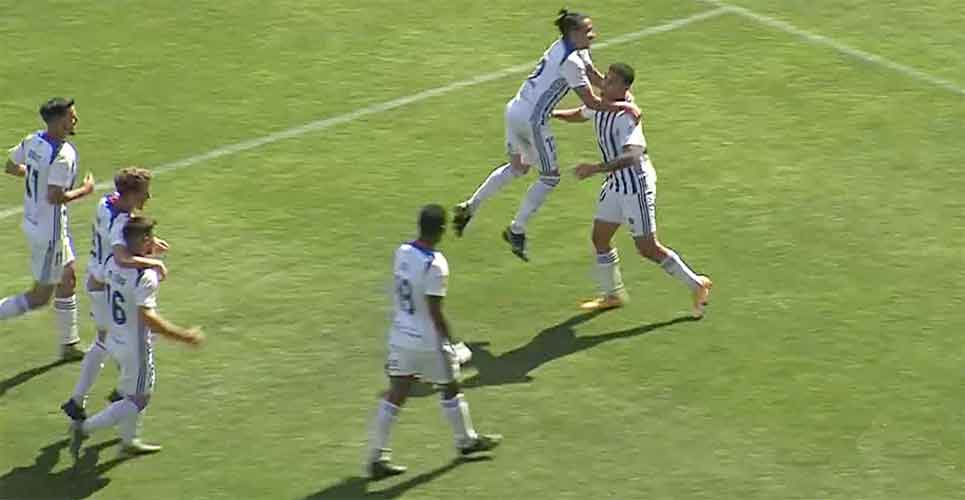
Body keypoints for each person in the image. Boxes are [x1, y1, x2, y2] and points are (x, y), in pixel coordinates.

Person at [452, 9, 640, 262]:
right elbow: (592, 102)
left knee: (518, 168)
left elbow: (595, 77)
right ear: (573, 34)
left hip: (514, 110)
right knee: (550, 177)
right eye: (588, 31)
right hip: (532, 121)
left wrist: (621, 96)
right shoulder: (570, 62)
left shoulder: (569, 49)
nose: (593, 35)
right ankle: (516, 229)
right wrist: (625, 106)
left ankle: (469, 207)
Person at [551, 63, 713, 317]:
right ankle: (612, 294)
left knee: (647, 247)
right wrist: (552, 113)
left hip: (635, 185)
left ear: (625, 88)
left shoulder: (626, 116)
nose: (605, 84)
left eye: (613, 82)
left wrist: (595, 168)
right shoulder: (603, 105)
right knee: (600, 238)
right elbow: (581, 114)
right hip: (616, 184)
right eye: (606, 79)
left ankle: (697, 284)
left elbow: (633, 155)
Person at [364, 205, 501, 480]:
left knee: (396, 393)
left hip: (400, 335)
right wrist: (452, 343)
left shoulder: (402, 252)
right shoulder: (436, 264)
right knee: (451, 386)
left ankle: (377, 456)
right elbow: (435, 310)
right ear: (440, 231)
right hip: (427, 342)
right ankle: (466, 441)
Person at [69, 216, 203, 458]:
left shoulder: (112, 261)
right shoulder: (145, 277)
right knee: (139, 399)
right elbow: (147, 318)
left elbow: (97, 282)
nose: (154, 241)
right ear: (142, 241)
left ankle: (129, 440)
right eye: (150, 237)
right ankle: (86, 428)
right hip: (135, 346)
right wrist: (183, 336)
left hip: (114, 338)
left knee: (132, 390)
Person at [61, 167, 169, 422]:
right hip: (105, 286)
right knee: (122, 339)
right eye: (144, 192)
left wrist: (150, 242)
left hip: (99, 281)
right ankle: (99, 396)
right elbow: (121, 255)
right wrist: (152, 262)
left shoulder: (106, 202)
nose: (148, 197)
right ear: (131, 193)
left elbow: (122, 235)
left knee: (118, 339)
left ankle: (94, 396)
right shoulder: (120, 221)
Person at [0, 97, 95, 359]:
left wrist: (35, 176)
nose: (75, 120)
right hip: (49, 232)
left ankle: (69, 345)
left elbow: (10, 166)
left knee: (68, 279)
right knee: (40, 297)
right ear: (57, 121)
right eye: (70, 117)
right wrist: (85, 191)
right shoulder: (64, 155)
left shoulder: (32, 140)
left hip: (36, 222)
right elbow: (55, 197)